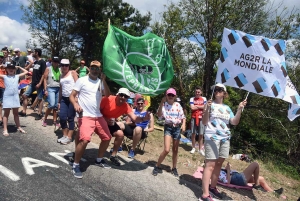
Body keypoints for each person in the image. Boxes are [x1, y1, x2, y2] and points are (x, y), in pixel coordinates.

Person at [199, 83, 247, 201]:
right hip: (212, 137)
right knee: (210, 165)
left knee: (219, 164)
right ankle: (205, 195)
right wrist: (207, 109)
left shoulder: (227, 108)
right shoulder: (209, 105)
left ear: (224, 93)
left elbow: (234, 122)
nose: (216, 91)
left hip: (225, 138)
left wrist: (239, 109)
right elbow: (204, 122)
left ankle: (213, 187)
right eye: (215, 89)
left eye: (219, 89)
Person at [69, 60, 111, 178]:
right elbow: (71, 96)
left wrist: (103, 80)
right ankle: (76, 164)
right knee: (85, 140)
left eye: (97, 68)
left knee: (107, 137)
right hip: (85, 115)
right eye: (92, 68)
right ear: (89, 69)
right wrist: (75, 105)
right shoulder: (82, 80)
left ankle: (99, 159)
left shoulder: (100, 82)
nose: (94, 70)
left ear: (100, 70)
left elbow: (107, 94)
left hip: (97, 115)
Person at [100, 88, 151, 166]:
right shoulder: (107, 99)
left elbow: (134, 118)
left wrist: (144, 118)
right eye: (121, 95)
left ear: (128, 98)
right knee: (103, 137)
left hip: (111, 122)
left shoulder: (126, 106)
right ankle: (83, 154)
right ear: (117, 94)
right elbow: (96, 110)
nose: (123, 97)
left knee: (120, 135)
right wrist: (105, 119)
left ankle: (113, 155)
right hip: (99, 119)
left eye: (126, 96)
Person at [152, 88, 186, 177]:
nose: (170, 96)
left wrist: (184, 125)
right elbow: (159, 115)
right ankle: (157, 165)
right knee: (167, 149)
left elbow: (183, 116)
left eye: (172, 95)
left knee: (175, 149)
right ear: (166, 96)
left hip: (177, 128)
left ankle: (174, 168)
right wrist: (161, 102)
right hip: (168, 127)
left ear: (175, 96)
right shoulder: (164, 105)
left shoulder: (178, 105)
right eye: (169, 95)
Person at [219, 162, 283, 195]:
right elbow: (228, 181)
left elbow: (225, 174)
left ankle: (274, 192)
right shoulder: (216, 174)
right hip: (237, 179)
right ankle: (257, 185)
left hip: (237, 176)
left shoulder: (218, 169)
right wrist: (228, 169)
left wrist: (227, 169)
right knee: (255, 164)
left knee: (261, 179)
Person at [1, 63, 28, 136]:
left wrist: (19, 67)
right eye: (9, 68)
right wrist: (1, 66)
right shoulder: (4, 76)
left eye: (12, 68)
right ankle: (5, 129)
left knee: (16, 113)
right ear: (6, 69)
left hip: (15, 97)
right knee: (6, 114)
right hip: (7, 97)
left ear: (15, 69)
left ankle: (19, 127)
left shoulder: (17, 76)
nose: (11, 69)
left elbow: (26, 72)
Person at [19, 48, 46, 120]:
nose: (33, 53)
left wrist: (40, 83)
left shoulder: (42, 62)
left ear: (37, 53)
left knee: (40, 99)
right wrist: (31, 80)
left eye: (34, 52)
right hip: (33, 83)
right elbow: (33, 72)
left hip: (39, 84)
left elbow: (43, 74)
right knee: (25, 95)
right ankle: (24, 111)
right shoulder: (35, 62)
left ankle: (39, 113)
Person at [57, 59, 78, 145]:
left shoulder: (72, 73)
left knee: (70, 117)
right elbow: (61, 89)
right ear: (60, 66)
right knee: (62, 117)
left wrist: (76, 97)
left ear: (69, 66)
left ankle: (69, 137)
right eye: (62, 65)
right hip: (64, 99)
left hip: (72, 98)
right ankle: (65, 135)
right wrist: (59, 101)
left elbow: (78, 84)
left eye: (66, 65)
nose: (64, 67)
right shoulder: (60, 76)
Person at [42, 56, 61, 127]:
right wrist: (45, 89)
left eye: (57, 62)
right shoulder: (48, 68)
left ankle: (55, 120)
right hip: (50, 88)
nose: (56, 63)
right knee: (51, 104)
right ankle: (45, 119)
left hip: (58, 88)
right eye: (54, 61)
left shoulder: (60, 69)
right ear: (52, 62)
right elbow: (44, 79)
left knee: (56, 106)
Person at [190, 87, 207, 156]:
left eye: (198, 92)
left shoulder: (204, 99)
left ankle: (200, 149)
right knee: (193, 133)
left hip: (202, 118)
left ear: (201, 92)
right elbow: (192, 107)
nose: (197, 93)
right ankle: (193, 147)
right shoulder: (192, 99)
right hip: (194, 117)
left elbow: (205, 107)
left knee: (201, 134)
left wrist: (196, 106)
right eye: (196, 92)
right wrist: (201, 106)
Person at [0, 52, 6, 126]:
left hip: (2, 86)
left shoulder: (4, 67)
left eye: (1, 57)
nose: (0, 58)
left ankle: (0, 118)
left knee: (0, 103)